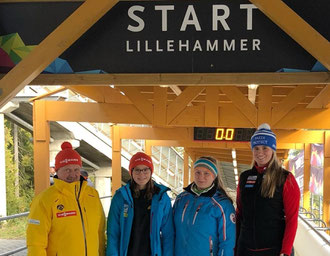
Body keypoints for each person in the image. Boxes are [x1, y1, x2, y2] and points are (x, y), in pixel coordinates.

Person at [26, 141, 105, 255]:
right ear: (57, 171)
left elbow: (100, 232)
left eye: (76, 169)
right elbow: (35, 242)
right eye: (67, 169)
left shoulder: (93, 195)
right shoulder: (44, 200)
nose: (72, 174)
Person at [235, 124, 300, 256]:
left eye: (265, 148)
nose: (260, 153)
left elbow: (292, 218)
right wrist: (235, 246)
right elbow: (240, 213)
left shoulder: (285, 178)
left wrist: (285, 251)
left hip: (274, 249)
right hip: (245, 248)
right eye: (256, 148)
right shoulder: (244, 177)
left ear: (273, 149)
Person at [106, 152, 174, 256]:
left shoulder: (161, 198)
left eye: (145, 170)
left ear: (151, 171)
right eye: (137, 170)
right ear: (131, 172)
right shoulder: (120, 197)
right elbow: (113, 232)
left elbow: (168, 234)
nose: (141, 174)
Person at [173, 156, 236, 256]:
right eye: (197, 172)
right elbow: (171, 232)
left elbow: (227, 242)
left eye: (206, 173)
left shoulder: (221, 204)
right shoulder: (181, 199)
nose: (201, 177)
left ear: (214, 176)